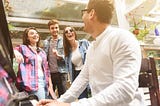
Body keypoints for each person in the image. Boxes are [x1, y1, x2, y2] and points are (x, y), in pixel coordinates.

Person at [37, 0, 145, 106]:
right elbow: (83, 78)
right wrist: (58, 102)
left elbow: (125, 90)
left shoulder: (121, 38)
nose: (82, 18)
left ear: (91, 14)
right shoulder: (93, 48)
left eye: (83, 12)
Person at [14, 27, 56, 100]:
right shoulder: (23, 48)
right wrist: (16, 52)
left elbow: (47, 70)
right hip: (31, 82)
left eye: (36, 33)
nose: (35, 35)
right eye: (32, 33)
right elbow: (12, 50)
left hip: (44, 81)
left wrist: (50, 86)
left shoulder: (42, 52)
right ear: (27, 37)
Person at [63, 26, 90, 99]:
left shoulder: (84, 43)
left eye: (71, 30)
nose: (69, 32)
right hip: (77, 76)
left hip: (89, 72)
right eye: (66, 32)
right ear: (65, 36)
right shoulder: (67, 52)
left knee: (94, 96)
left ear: (74, 33)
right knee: (82, 99)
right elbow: (69, 68)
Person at [43, 19, 68, 98]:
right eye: (52, 28)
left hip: (61, 72)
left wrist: (60, 56)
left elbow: (68, 56)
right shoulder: (46, 42)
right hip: (50, 74)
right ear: (49, 29)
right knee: (50, 96)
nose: (55, 30)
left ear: (59, 28)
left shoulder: (64, 41)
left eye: (56, 28)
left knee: (63, 95)